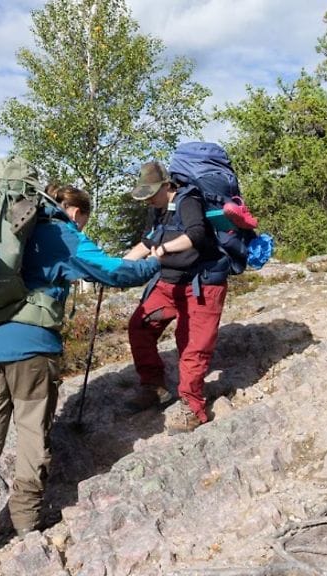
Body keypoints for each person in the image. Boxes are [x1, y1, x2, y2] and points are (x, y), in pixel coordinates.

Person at [0, 184, 159, 559]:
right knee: (32, 430)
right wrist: (156, 261)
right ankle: (26, 519)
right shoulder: (60, 232)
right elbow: (111, 271)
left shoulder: (0, 231)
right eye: (84, 221)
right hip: (31, 348)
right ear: (75, 212)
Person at [123, 161, 229, 434]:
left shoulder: (188, 201)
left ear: (166, 186)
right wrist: (118, 267)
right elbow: (147, 242)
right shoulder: (157, 210)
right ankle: (154, 387)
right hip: (168, 284)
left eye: (151, 194)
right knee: (140, 327)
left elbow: (196, 234)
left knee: (193, 348)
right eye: (144, 195)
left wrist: (163, 250)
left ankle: (193, 408)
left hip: (202, 285)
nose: (148, 200)